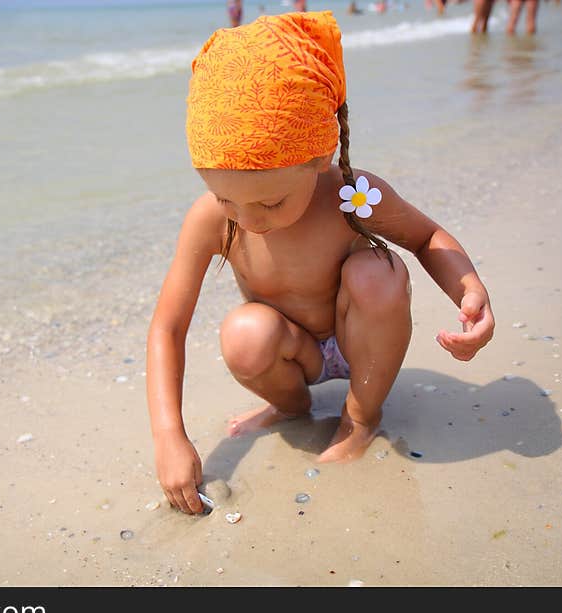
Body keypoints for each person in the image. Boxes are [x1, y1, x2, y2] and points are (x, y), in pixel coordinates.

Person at [146, 12, 495, 515]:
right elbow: (167, 328)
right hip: (295, 352)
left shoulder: (352, 195)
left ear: (319, 157)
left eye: (269, 203)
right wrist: (168, 436)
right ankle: (291, 407)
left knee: (378, 271)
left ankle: (359, 417)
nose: (250, 220)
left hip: (362, 341)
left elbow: (425, 237)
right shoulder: (211, 220)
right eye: (226, 199)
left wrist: (468, 288)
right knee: (244, 333)